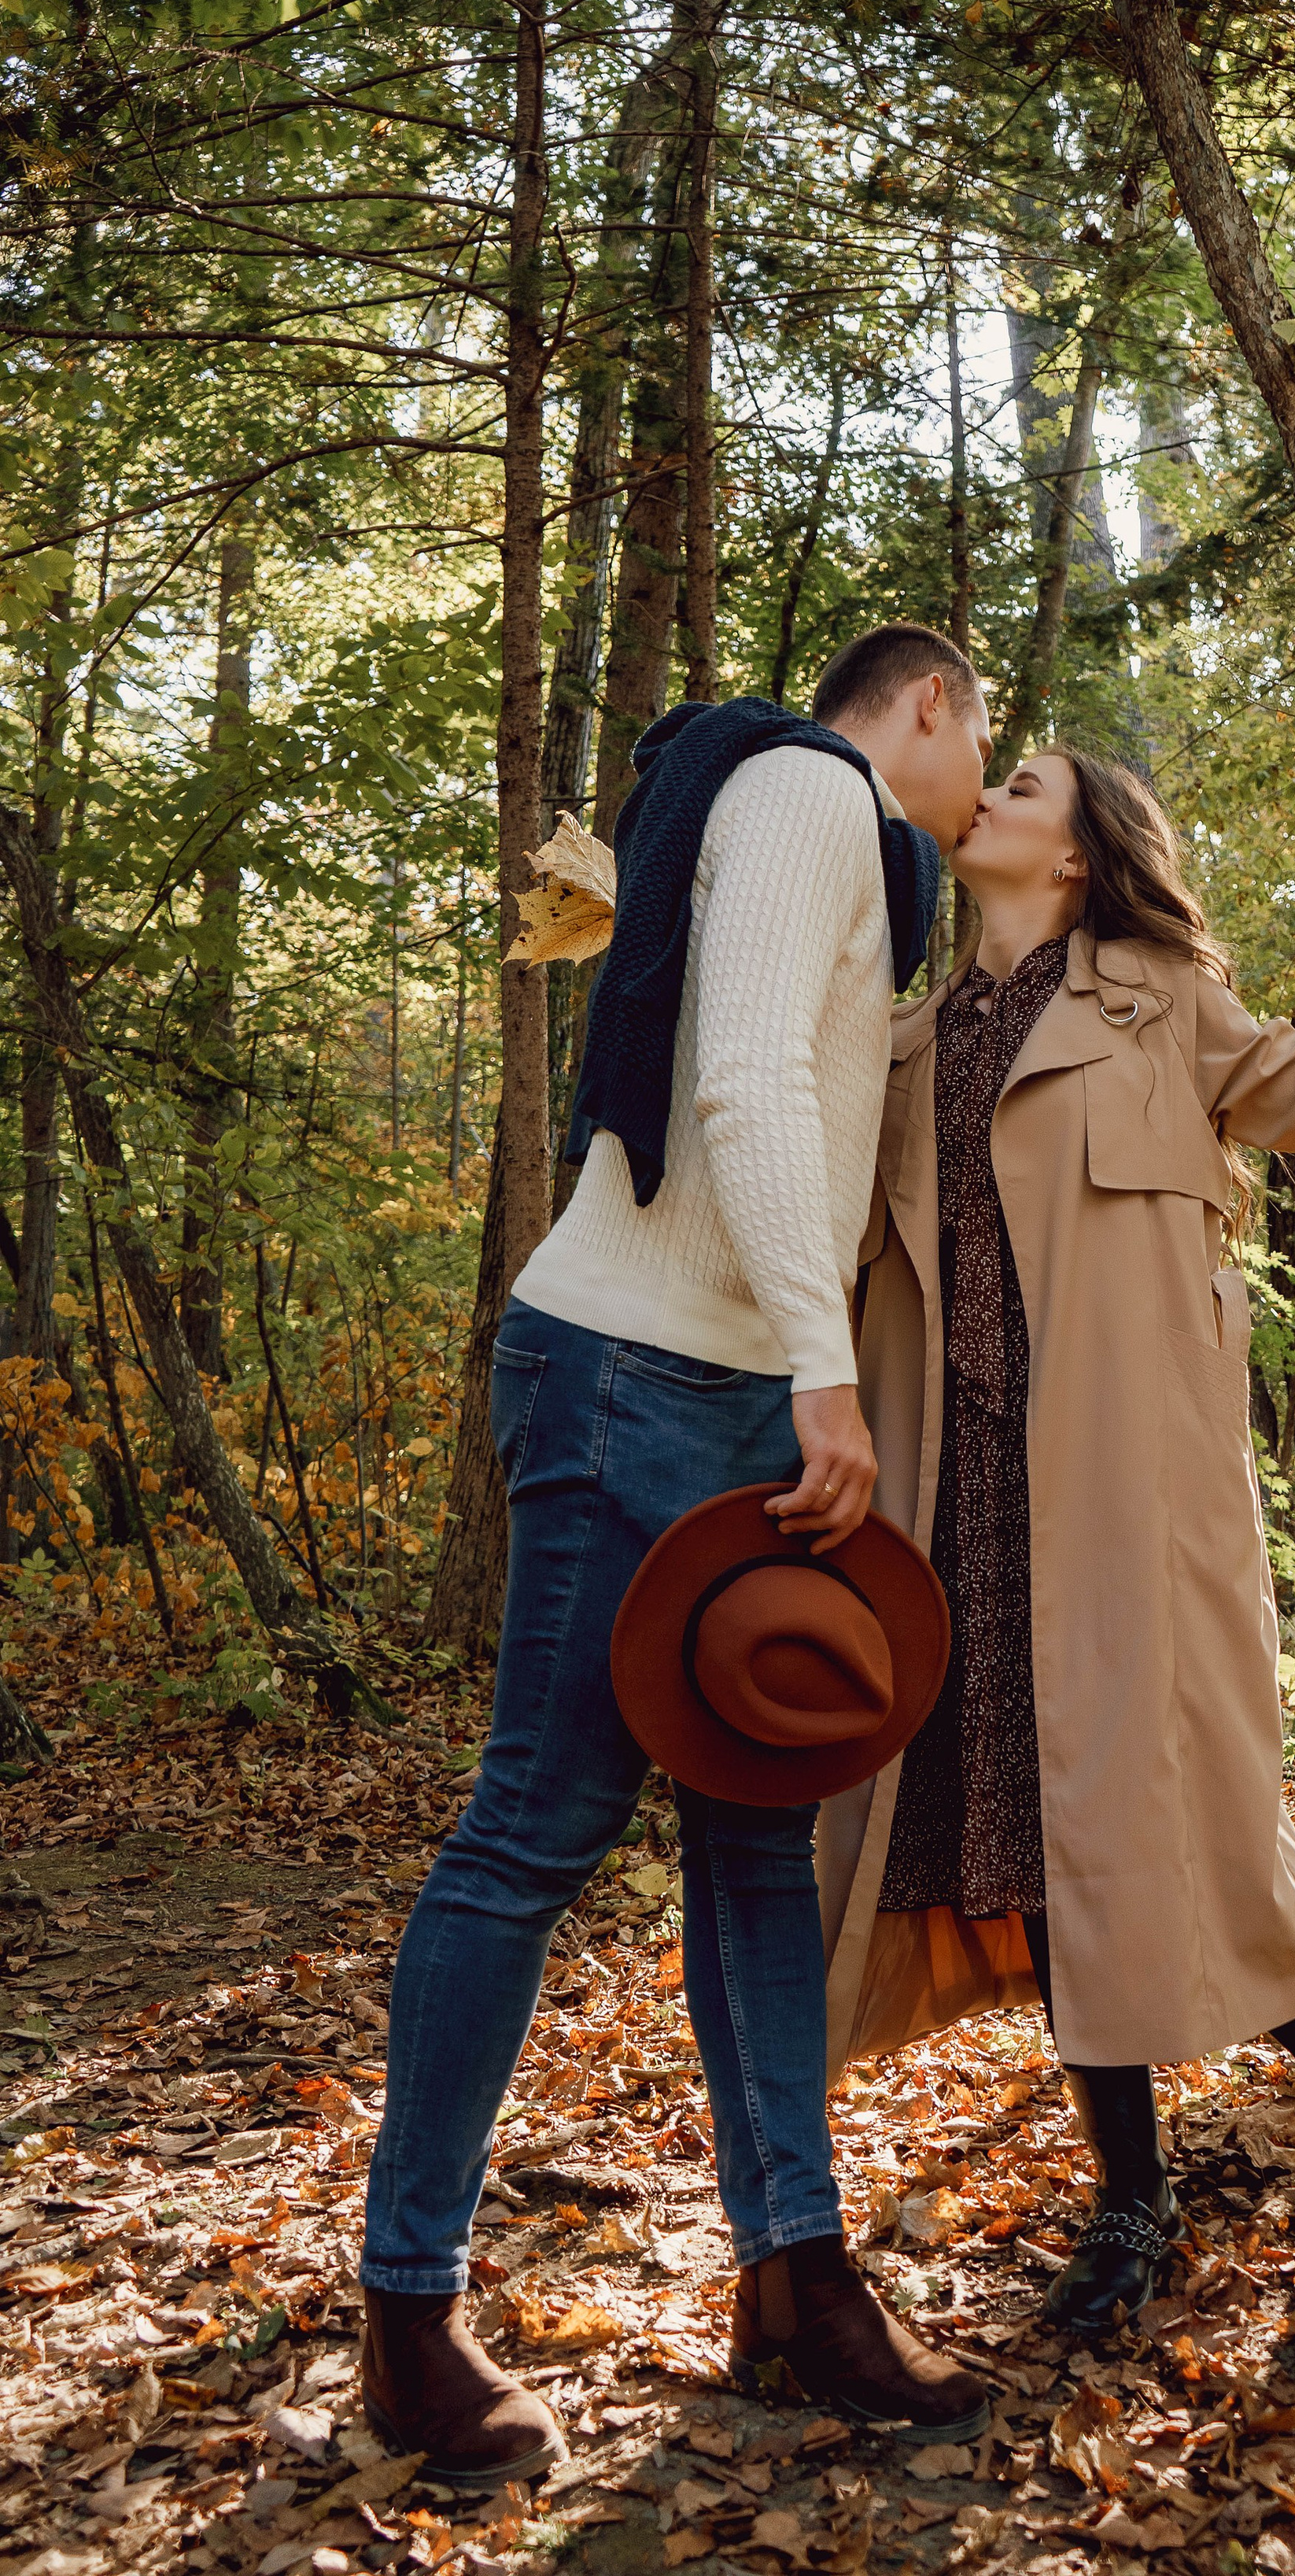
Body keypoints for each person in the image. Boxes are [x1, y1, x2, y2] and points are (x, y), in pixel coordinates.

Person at [360, 628, 997, 2485]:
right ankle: (409, 2308)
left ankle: (793, 2277)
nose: (974, 795)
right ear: (932, 708)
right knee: (528, 1835)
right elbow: (738, 1083)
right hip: (640, 1369)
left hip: (716, 1385)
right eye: (982, 749)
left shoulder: (842, 855)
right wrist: (822, 1369)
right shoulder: (812, 788)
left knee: (751, 1851)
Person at [818, 747, 1295, 2334]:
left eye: (1022, 782)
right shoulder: (902, 1045)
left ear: (1077, 854)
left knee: (1163, 1817)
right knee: (1043, 1845)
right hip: (962, 1509)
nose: (989, 792)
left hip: (1128, 1499)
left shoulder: (1157, 1000)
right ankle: (1131, 2200)